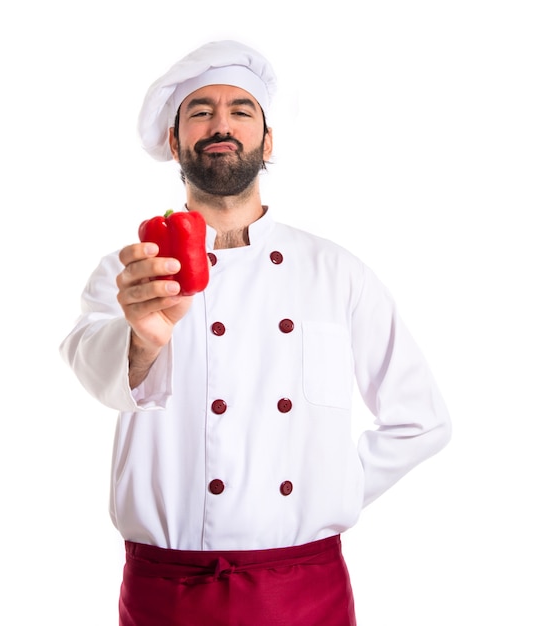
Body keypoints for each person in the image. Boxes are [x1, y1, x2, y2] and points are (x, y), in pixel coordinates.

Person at [59, 40, 451, 626]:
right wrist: (142, 343)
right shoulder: (133, 268)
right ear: (175, 142)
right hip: (167, 591)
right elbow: (87, 359)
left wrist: (328, 486)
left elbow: (422, 420)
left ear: (267, 141)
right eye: (200, 111)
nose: (222, 124)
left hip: (304, 589)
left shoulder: (335, 272)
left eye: (241, 111)